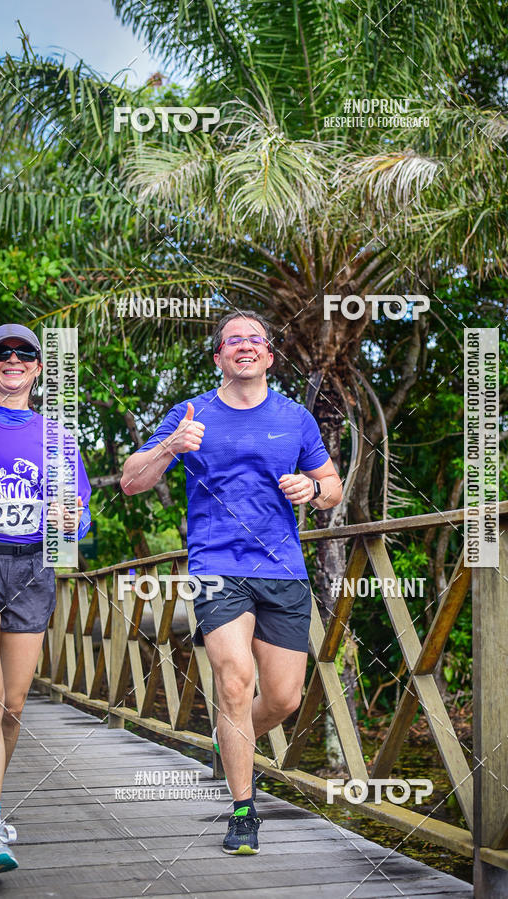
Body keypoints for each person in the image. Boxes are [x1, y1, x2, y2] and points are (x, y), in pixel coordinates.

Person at [121, 310, 342, 854]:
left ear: (268, 355)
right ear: (219, 356)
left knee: (286, 698)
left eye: (255, 340)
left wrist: (311, 494)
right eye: (232, 340)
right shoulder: (190, 413)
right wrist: (172, 445)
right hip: (218, 567)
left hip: (283, 569)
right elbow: (131, 481)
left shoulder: (295, 419)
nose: (244, 346)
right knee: (235, 681)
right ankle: (243, 811)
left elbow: (333, 485)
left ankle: (228, 735)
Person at [0, 324, 91, 876]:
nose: (14, 361)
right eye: (3, 354)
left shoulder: (59, 439)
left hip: (32, 570)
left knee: (14, 707)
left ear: (39, 369)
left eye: (25, 354)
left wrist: (71, 521)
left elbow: (79, 517)